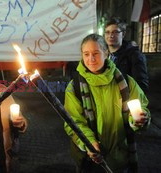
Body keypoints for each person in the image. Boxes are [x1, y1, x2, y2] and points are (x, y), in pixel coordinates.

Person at [64, 34, 151, 173]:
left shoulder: (126, 82)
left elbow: (141, 108)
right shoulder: (74, 87)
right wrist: (90, 143)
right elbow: (73, 122)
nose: (91, 59)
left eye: (96, 53)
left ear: (106, 53)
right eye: (86, 54)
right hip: (89, 159)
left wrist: (139, 120)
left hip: (120, 158)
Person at [104, 17, 149, 94]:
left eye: (115, 32)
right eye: (107, 32)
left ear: (123, 34)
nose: (111, 35)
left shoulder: (134, 55)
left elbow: (141, 84)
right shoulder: (102, 54)